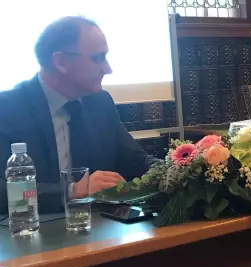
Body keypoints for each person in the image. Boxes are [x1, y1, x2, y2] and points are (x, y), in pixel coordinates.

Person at [0, 16, 157, 214]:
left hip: (99, 226)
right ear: (61, 62)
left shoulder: (100, 102)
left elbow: (134, 160)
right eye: (98, 58)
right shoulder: (7, 108)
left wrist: (178, 171)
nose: (108, 69)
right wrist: (71, 191)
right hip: (30, 226)